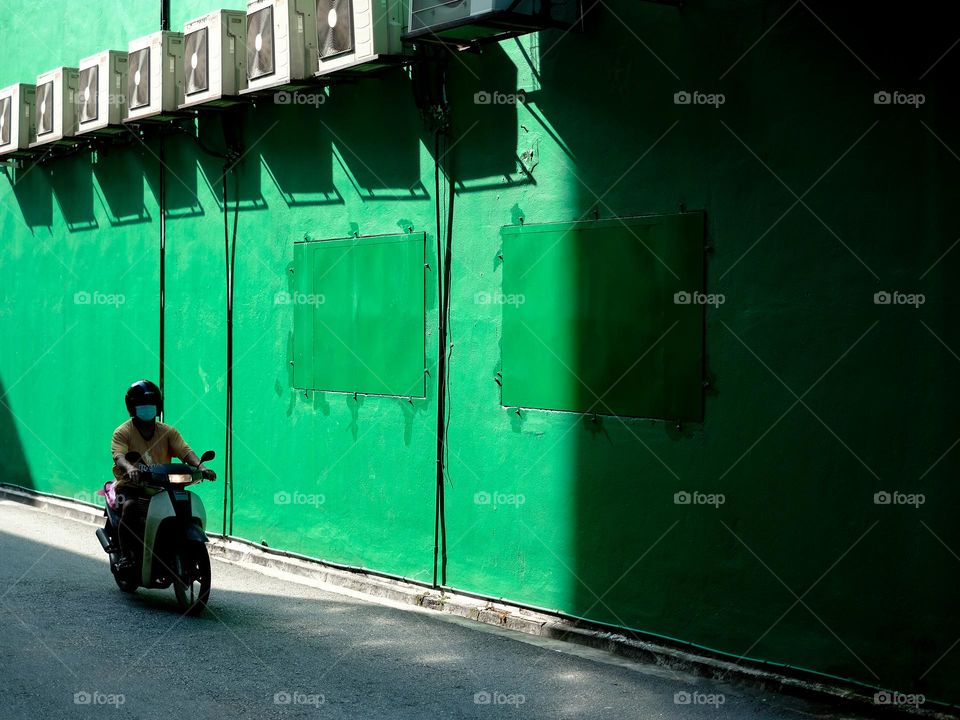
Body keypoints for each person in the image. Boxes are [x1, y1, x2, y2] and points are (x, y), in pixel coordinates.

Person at [111, 380, 216, 569]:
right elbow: (119, 456)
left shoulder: (167, 431)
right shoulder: (123, 432)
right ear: (132, 408)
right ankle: (126, 555)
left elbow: (185, 452)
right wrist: (130, 468)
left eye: (151, 406)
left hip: (161, 487)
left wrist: (201, 468)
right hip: (132, 487)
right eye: (142, 406)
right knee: (130, 507)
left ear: (157, 407)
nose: (147, 410)